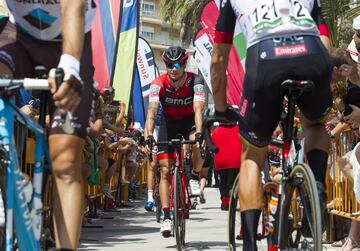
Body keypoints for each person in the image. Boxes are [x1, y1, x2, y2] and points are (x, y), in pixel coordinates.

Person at [211, 1, 332, 250]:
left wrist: (221, 109)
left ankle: (250, 243)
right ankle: (317, 185)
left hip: (265, 60)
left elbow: (218, 58)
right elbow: (326, 42)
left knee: (252, 155)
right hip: (313, 55)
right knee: (315, 125)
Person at [0, 1, 96, 250]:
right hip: (18, 36)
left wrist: (71, 68)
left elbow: (72, 9)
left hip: (70, 39)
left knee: (65, 159)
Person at [144, 46, 206, 237]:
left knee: (196, 141)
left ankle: (194, 176)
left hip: (189, 122)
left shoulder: (195, 81)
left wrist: (200, 133)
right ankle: (167, 216)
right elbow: (152, 112)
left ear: (185, 64)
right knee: (164, 171)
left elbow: (198, 109)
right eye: (170, 64)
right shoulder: (158, 83)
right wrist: (147, 136)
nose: (173, 68)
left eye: (178, 64)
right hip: (168, 123)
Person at [211, 124, 241, 211]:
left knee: (223, 182)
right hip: (236, 160)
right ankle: (232, 197)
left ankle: (225, 201)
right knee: (233, 181)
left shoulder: (217, 130)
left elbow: (212, 144)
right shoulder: (239, 129)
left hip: (221, 161)